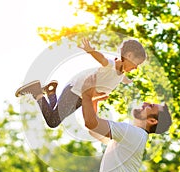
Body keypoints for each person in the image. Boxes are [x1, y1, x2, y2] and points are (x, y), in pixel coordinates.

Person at [81, 74, 172, 172]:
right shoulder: (132, 138)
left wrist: (87, 95)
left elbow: (91, 123)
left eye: (150, 106)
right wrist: (93, 101)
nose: (145, 103)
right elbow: (93, 128)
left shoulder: (133, 134)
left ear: (152, 120)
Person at [15, 38, 147, 128]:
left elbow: (118, 79)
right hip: (76, 90)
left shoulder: (121, 74)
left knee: (56, 116)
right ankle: (36, 91)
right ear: (129, 56)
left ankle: (50, 92)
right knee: (53, 121)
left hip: (82, 97)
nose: (136, 68)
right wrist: (90, 50)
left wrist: (127, 82)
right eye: (137, 64)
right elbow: (102, 59)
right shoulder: (111, 65)